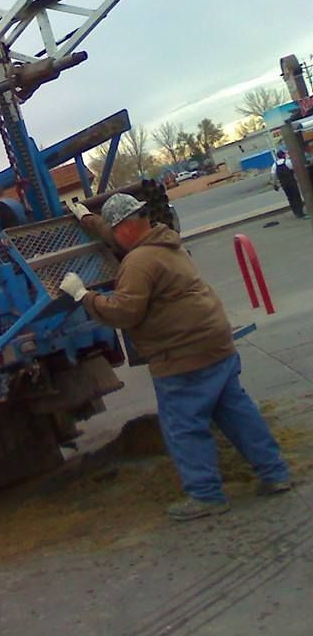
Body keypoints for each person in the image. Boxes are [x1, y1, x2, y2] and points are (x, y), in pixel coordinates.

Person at [64, 195, 291, 521]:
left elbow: (125, 312)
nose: (114, 235)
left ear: (127, 227)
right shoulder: (166, 241)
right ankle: (275, 472)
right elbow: (112, 233)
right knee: (236, 412)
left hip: (183, 355)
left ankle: (206, 495)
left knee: (184, 427)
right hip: (215, 343)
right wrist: (86, 217)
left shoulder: (139, 262)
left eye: (115, 229)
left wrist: (84, 296)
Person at [270, 150, 305, 218]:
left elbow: (273, 176)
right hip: (292, 182)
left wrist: (275, 185)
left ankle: (296, 212)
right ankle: (300, 212)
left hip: (284, 184)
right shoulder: (288, 162)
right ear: (283, 155)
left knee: (290, 198)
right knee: (296, 197)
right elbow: (295, 170)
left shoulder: (274, 165)